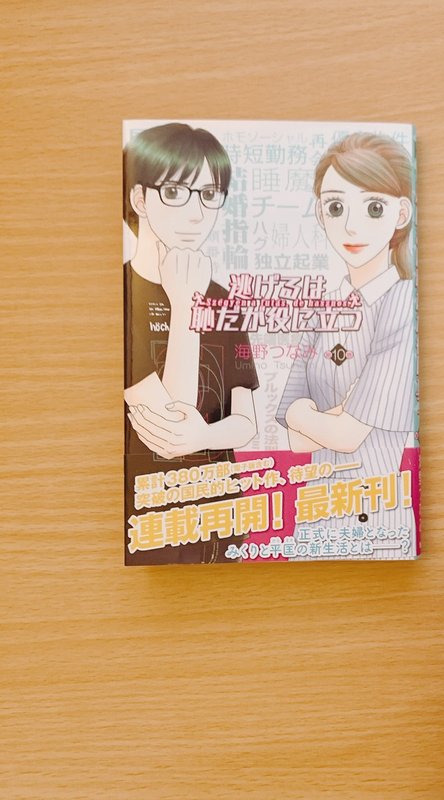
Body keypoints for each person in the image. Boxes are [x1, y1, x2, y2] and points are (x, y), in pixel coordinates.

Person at [275, 132, 417, 557]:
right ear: (321, 213)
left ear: (401, 212)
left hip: (378, 524)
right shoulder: (322, 307)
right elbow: (298, 443)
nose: (352, 226)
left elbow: (346, 436)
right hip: (316, 523)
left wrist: (314, 416)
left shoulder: (403, 303)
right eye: (336, 208)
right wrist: (326, 415)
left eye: (373, 208)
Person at [123, 122, 259, 564]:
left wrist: (204, 434)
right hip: (151, 519)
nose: (197, 213)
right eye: (175, 192)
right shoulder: (120, 296)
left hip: (222, 518)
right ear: (139, 198)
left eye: (209, 194)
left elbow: (246, 422)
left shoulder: (222, 298)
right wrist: (184, 305)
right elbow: (168, 428)